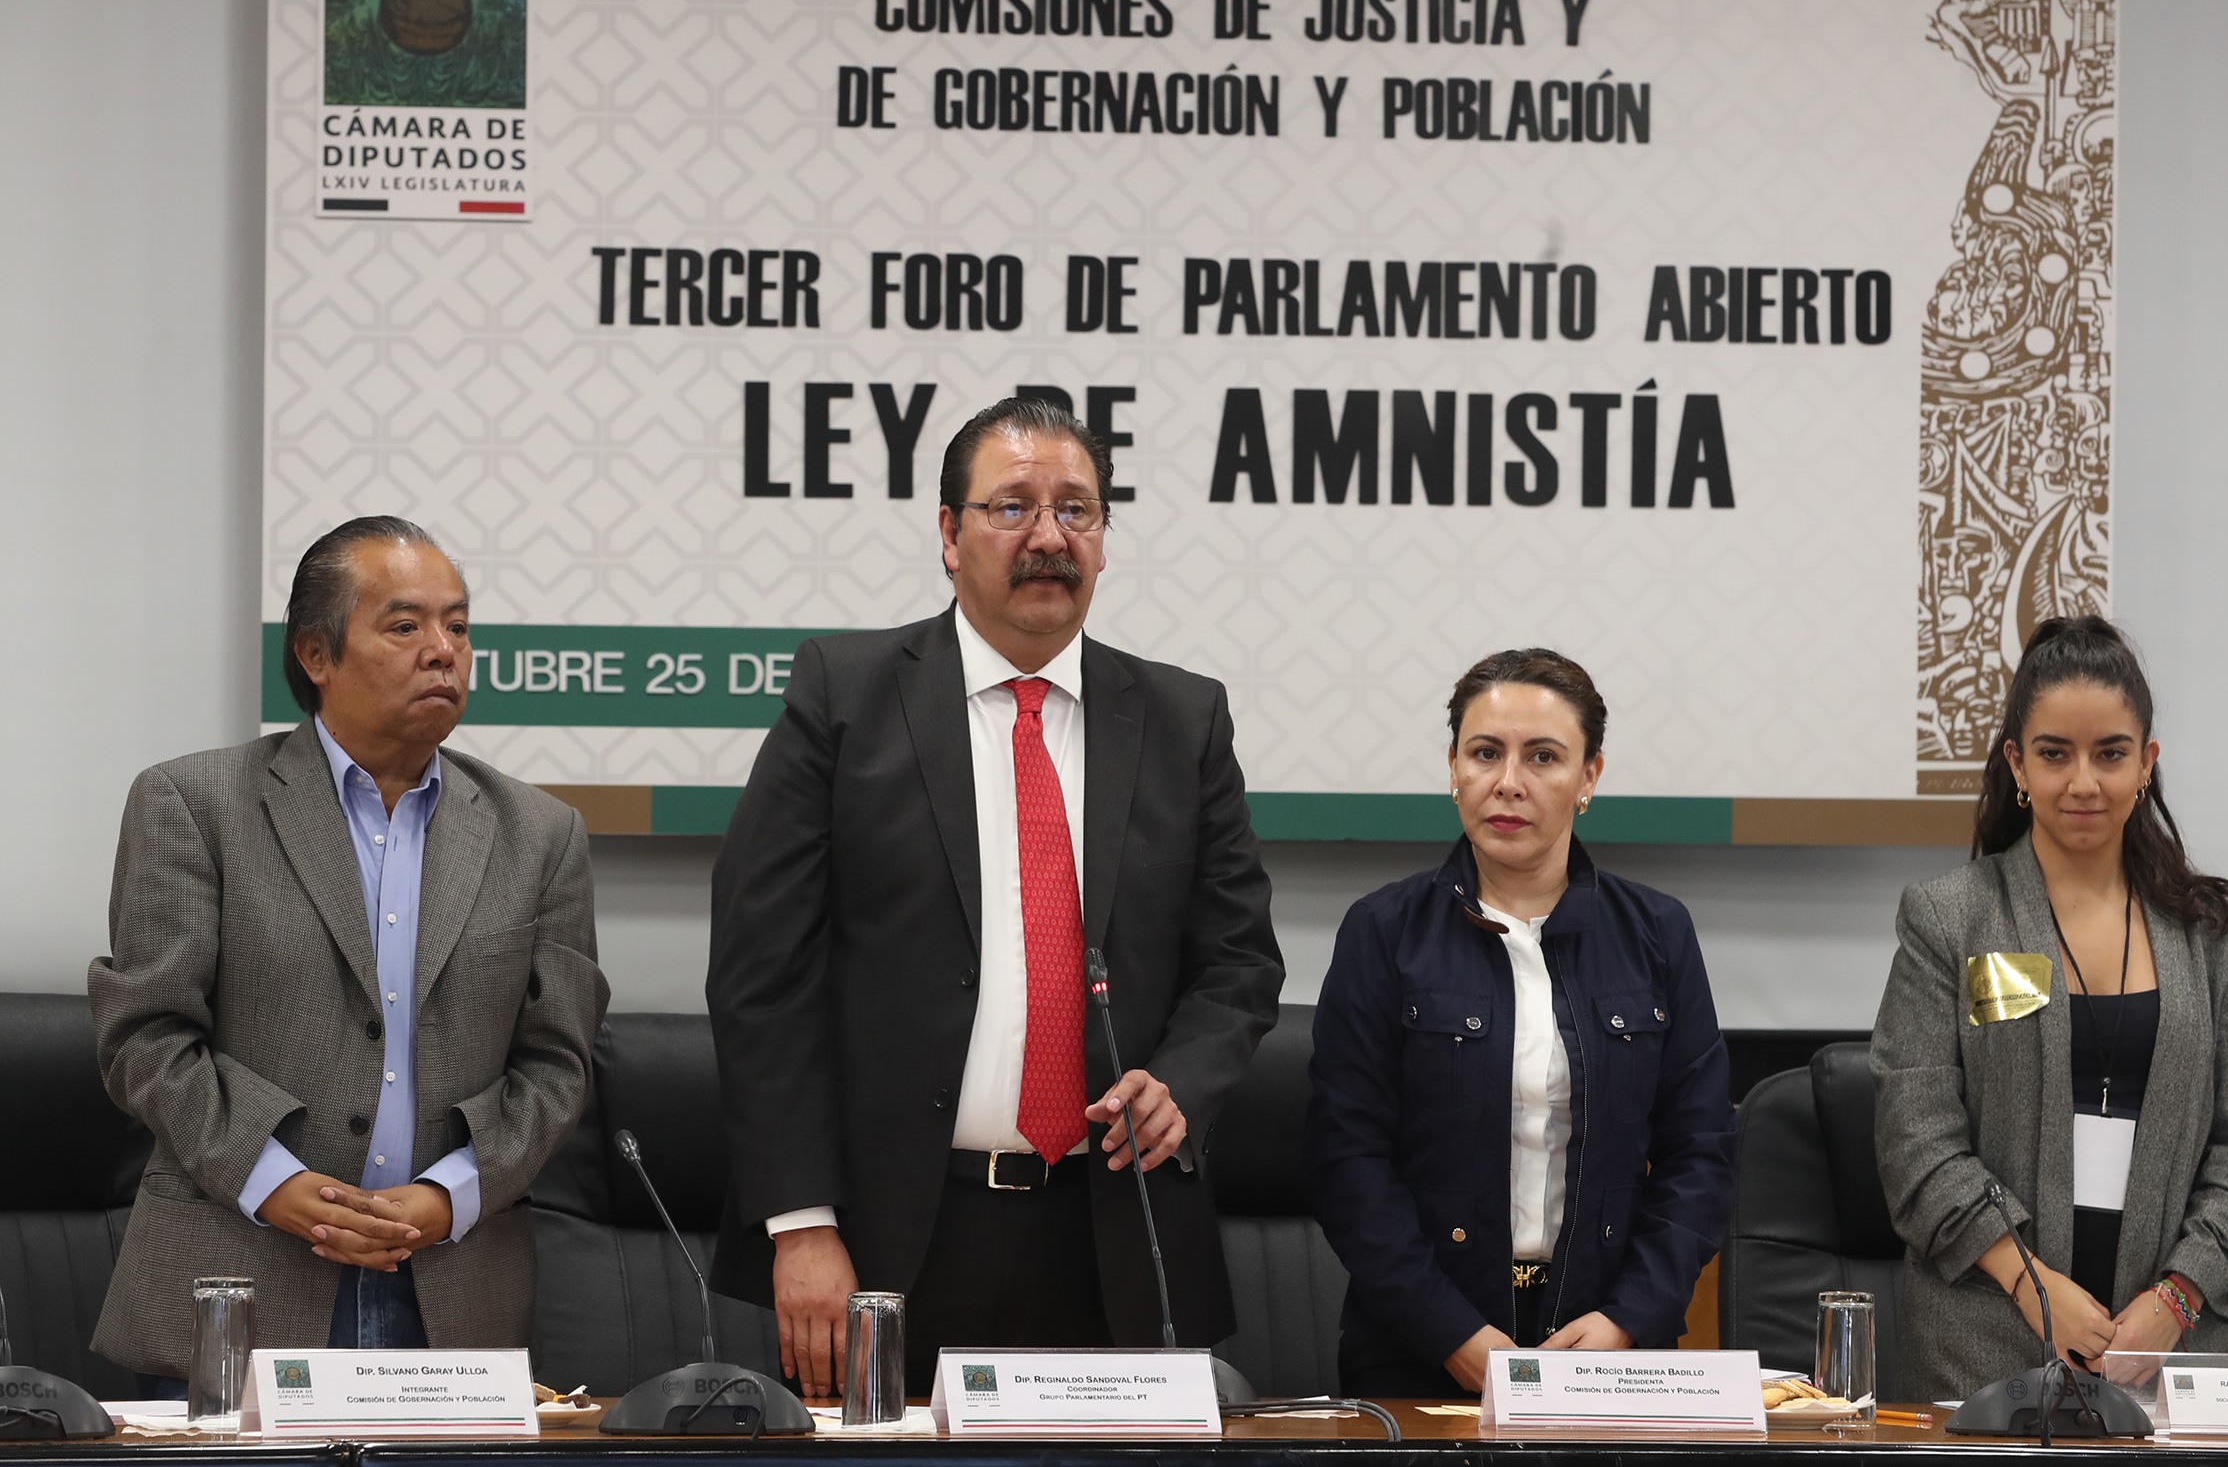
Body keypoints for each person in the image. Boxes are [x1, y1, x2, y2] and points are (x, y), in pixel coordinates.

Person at [707, 396, 1285, 1397]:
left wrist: (1181, 1083)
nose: (1049, 536)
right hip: (890, 1239)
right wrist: (800, 1225)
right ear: (949, 533)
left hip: (1117, 1230)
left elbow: (1238, 960)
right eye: (1012, 507)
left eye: (1076, 510)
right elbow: (762, 975)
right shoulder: (845, 695)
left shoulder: (1182, 719)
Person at [88, 517, 607, 1390]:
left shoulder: (540, 834)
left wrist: (451, 1195)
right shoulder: (193, 803)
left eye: (458, 625)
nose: (443, 650)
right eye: (405, 625)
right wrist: (274, 1182)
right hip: (241, 1270)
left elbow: (559, 1062)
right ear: (316, 654)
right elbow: (145, 1036)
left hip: (452, 1294)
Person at [1304, 649, 1735, 1397]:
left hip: (1607, 1344)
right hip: (1420, 1349)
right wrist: (1450, 1332)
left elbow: (1700, 1153)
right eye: (1485, 753)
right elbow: (1347, 1158)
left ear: (1589, 777)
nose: (1508, 782)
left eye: (1543, 756)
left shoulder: (1659, 933)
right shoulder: (1383, 931)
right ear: (1453, 768)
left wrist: (1626, 1318)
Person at [1872, 616, 2228, 1402]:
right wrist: (2031, 1284)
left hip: (2169, 1356)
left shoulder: (2217, 936)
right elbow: (1915, 1137)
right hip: (1982, 1347)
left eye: (2110, 753)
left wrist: (2175, 1300)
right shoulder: (1950, 919)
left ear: (2147, 762)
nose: (2083, 782)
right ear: (2017, 764)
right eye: (2055, 753)